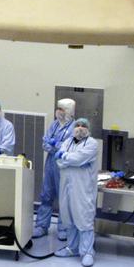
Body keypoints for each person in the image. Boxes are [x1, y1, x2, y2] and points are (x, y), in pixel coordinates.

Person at [55, 117, 100, 267]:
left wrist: (66, 158)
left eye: (83, 125)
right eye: (78, 125)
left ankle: (87, 252)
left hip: (83, 187)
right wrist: (72, 160)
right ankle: (72, 248)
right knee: (68, 215)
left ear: (88, 129)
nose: (80, 128)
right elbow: (60, 162)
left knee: (83, 217)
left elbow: (79, 157)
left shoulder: (92, 143)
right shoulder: (67, 142)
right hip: (66, 184)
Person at [34, 98, 77, 241]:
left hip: (64, 165)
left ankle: (63, 228)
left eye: (62, 109)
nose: (58, 111)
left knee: (63, 197)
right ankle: (41, 225)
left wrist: (55, 145)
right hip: (51, 163)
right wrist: (54, 145)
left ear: (69, 111)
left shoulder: (74, 127)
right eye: (58, 108)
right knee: (46, 194)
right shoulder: (54, 125)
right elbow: (45, 142)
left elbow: (68, 146)